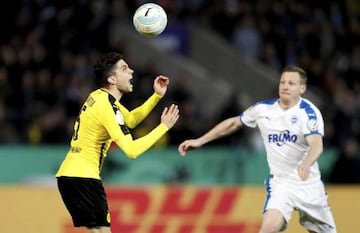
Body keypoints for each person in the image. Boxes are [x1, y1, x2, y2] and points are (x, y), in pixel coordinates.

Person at [178, 65, 336, 233]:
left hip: (309, 188)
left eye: (291, 83)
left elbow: (316, 144)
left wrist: (306, 163)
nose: (285, 86)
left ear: (302, 88)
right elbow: (233, 123)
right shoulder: (262, 109)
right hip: (281, 185)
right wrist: (200, 140)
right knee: (267, 229)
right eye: (283, 82)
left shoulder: (308, 112)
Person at [56, 52, 179, 233]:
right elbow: (131, 150)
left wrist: (156, 96)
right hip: (84, 177)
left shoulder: (98, 97)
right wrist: (163, 128)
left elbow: (129, 119)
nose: (131, 71)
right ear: (112, 79)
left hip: (69, 175)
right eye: (124, 68)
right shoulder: (107, 107)